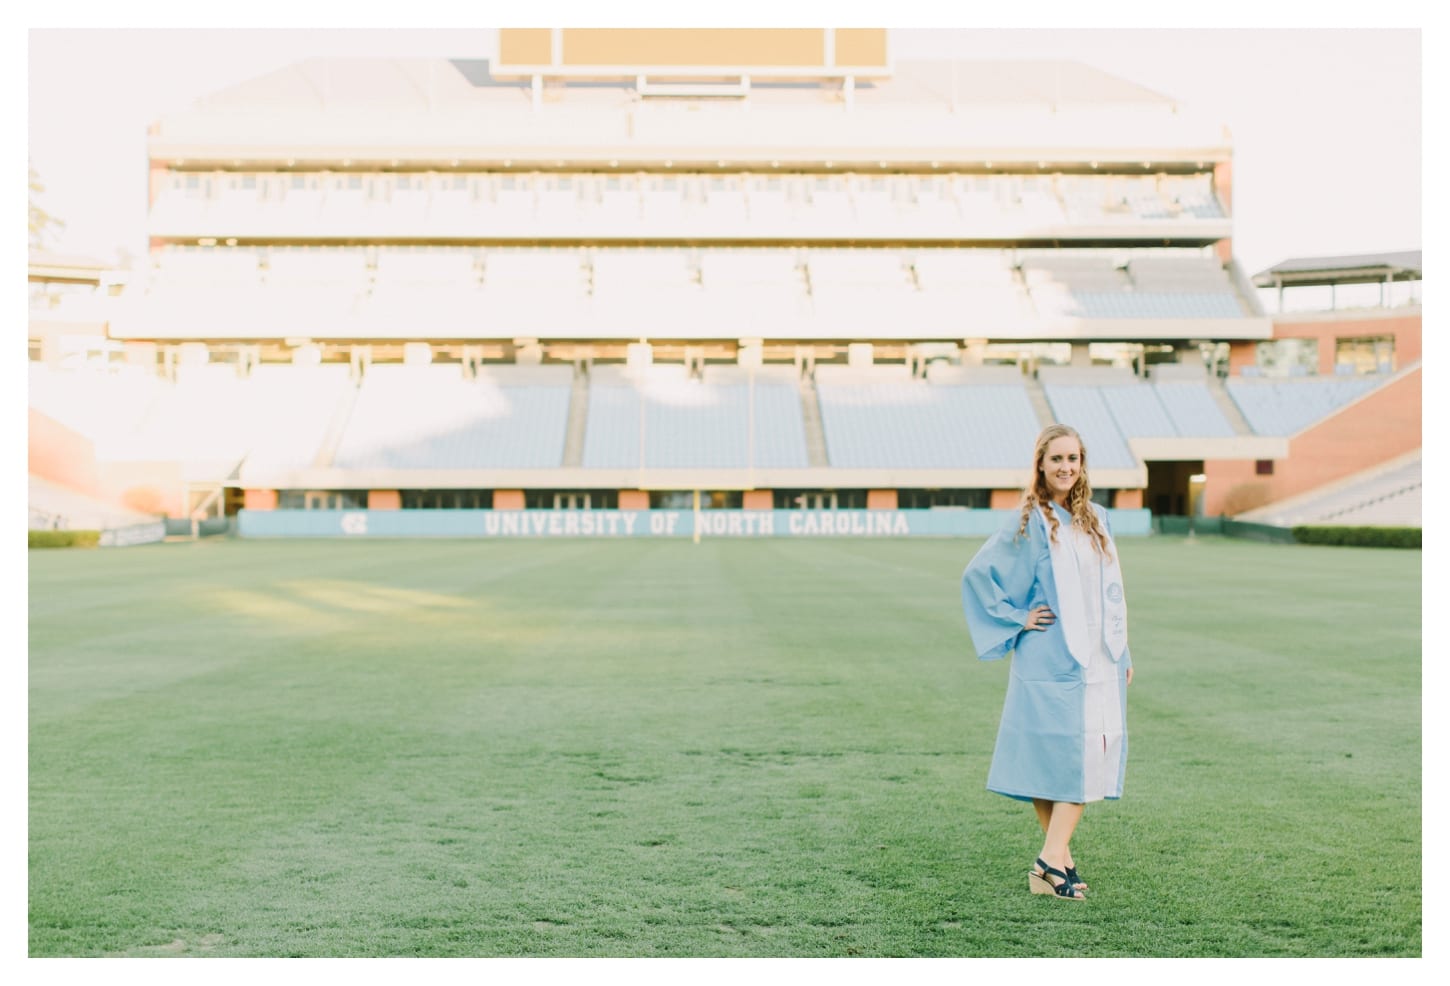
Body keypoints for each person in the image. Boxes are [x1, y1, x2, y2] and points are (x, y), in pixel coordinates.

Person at [960, 423, 1134, 901]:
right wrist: (1018, 617)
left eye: (1073, 459)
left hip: (1098, 660)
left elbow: (1110, 595)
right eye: (1056, 458)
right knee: (1060, 758)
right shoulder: (1031, 521)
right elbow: (979, 575)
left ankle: (1059, 858)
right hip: (1048, 658)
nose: (1065, 467)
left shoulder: (1098, 518)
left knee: (1083, 755)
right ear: (1040, 463)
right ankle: (1051, 861)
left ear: (1082, 465)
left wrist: (1125, 651)